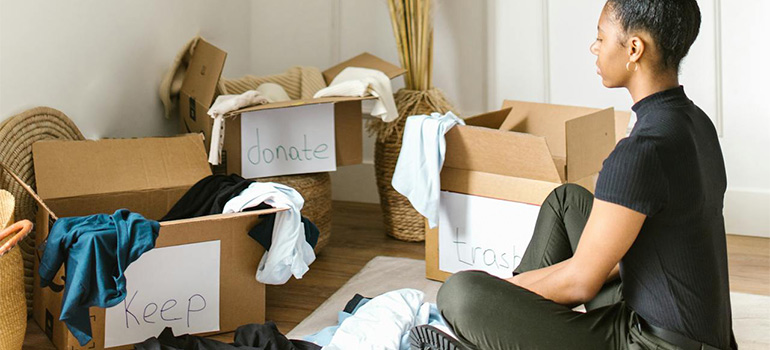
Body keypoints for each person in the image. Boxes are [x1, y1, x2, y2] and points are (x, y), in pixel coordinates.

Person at [411, 1, 737, 349]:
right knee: (567, 201)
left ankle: (500, 329)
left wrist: (498, 294)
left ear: (634, 49)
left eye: (600, 37)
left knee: (459, 294)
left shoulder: (639, 152)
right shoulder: (696, 123)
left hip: (650, 343)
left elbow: (581, 282)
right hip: (696, 332)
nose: (594, 47)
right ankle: (508, 330)